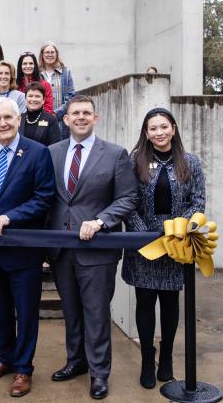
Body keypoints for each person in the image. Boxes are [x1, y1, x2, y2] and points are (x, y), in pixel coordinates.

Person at [46, 95, 138, 400]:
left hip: (97, 249)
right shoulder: (52, 153)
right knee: (70, 310)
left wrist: (101, 221)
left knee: (96, 314)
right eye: (76, 113)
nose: (81, 117)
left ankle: (99, 373)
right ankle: (76, 361)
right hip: (61, 249)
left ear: (95, 118)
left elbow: (127, 197)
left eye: (87, 112)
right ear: (66, 119)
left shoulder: (115, 154)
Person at [0, 97, 56, 398]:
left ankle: (23, 369)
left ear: (18, 119)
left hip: (23, 249)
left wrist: (8, 218)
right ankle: (5, 357)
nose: (2, 123)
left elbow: (43, 197)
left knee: (26, 312)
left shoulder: (38, 152)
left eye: (8, 117)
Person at [122, 107, 206, 389]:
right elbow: (128, 202)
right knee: (145, 303)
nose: (159, 132)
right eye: (153, 128)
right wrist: (143, 235)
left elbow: (198, 202)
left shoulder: (190, 162)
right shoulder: (135, 160)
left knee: (170, 304)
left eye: (163, 127)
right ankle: (148, 359)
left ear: (173, 129)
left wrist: (179, 230)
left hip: (176, 245)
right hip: (144, 245)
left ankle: (167, 356)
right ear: (146, 133)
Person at [38, 41, 75, 139]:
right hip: (40, 120)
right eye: (47, 52)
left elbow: (71, 97)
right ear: (42, 55)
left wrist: (56, 114)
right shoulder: (37, 74)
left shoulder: (65, 72)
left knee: (60, 145)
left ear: (56, 54)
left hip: (60, 122)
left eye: (52, 52)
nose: (50, 55)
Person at [20, 81, 62, 147]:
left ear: (43, 100)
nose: (34, 99)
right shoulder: (19, 118)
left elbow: (56, 146)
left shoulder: (51, 120)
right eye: (30, 96)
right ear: (25, 99)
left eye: (37, 96)